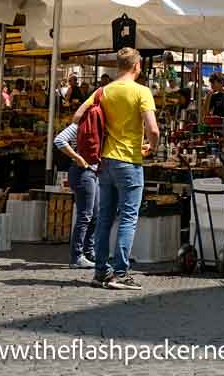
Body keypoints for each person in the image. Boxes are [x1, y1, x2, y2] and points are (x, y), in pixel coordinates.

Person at [89, 48, 158, 291]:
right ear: (137, 66)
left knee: (104, 218)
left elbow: (78, 116)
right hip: (129, 161)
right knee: (128, 218)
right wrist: (153, 146)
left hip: (105, 161)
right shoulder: (141, 91)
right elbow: (154, 129)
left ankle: (100, 272)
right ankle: (119, 273)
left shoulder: (103, 90)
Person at [53, 95, 100, 268]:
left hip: (93, 173)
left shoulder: (100, 126)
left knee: (95, 214)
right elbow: (59, 140)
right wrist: (77, 157)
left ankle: (89, 252)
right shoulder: (79, 125)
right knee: (85, 215)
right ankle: (77, 255)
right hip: (82, 173)